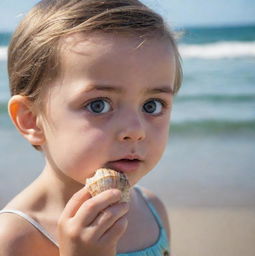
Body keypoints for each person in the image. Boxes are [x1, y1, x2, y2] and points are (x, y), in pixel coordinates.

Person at [0, 0, 182, 255]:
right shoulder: (14, 238)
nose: (135, 130)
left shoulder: (152, 209)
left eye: (152, 105)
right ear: (31, 119)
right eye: (99, 105)